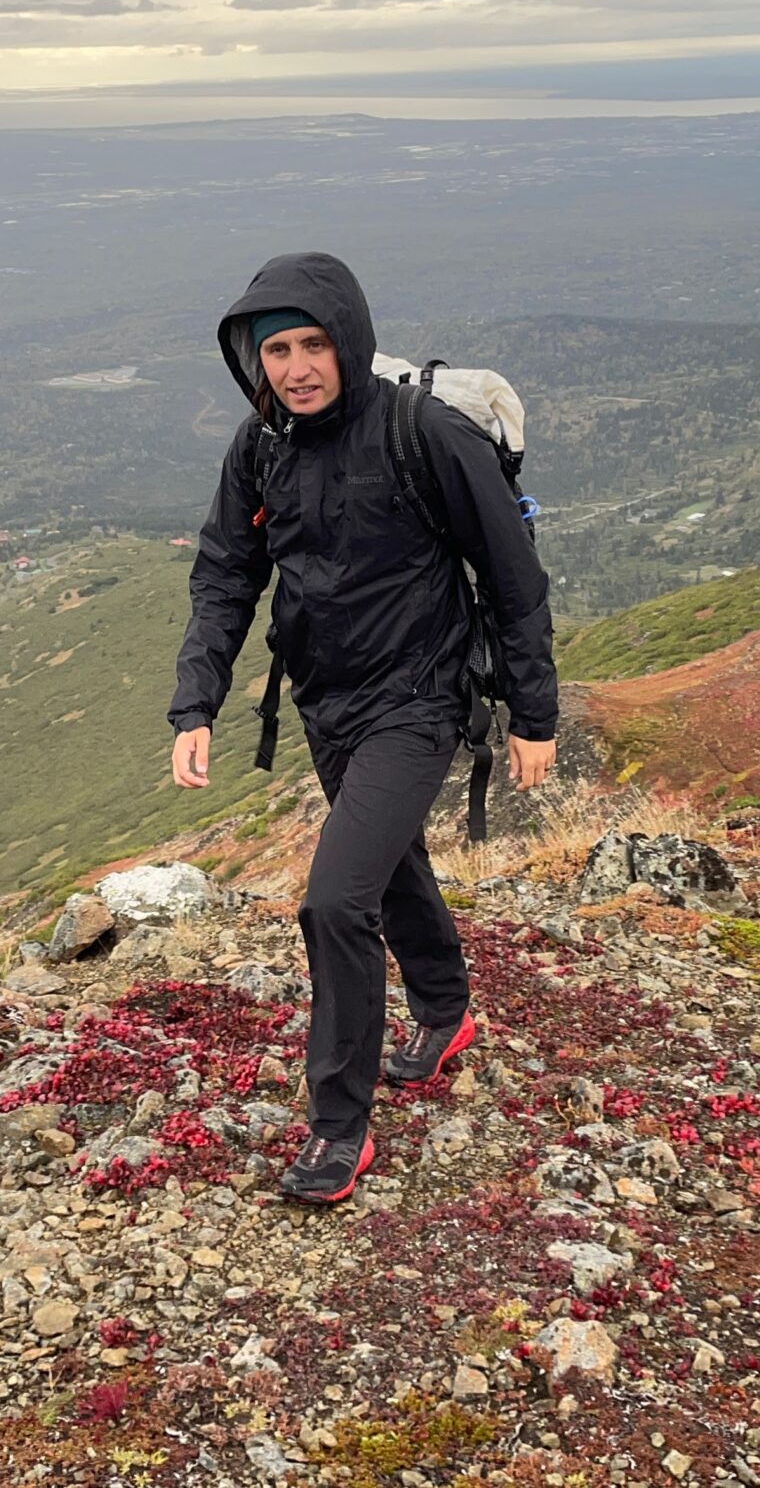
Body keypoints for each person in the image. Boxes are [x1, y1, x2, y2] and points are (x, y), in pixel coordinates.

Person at [168, 251, 558, 1204]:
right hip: (325, 698)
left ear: (349, 341)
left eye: (313, 345)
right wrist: (196, 703)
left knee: (335, 900)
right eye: (275, 351)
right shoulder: (260, 445)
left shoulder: (422, 433)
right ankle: (445, 1006)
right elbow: (227, 573)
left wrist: (531, 712)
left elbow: (513, 576)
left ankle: (339, 1127)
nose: (295, 368)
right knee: (385, 862)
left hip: (420, 697)